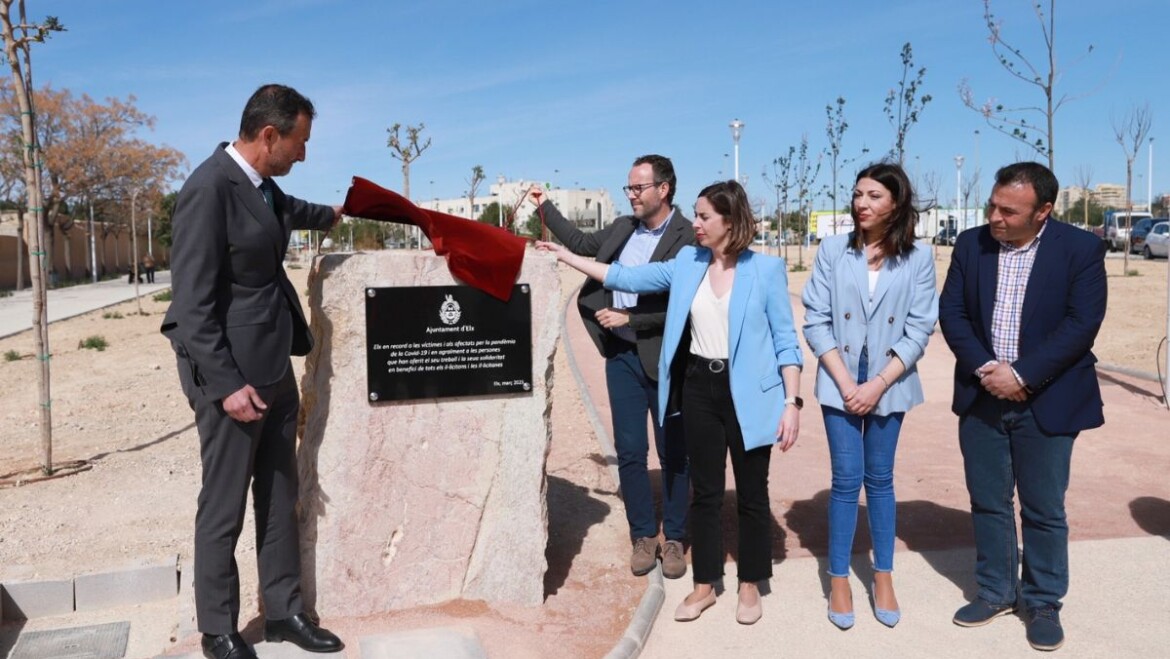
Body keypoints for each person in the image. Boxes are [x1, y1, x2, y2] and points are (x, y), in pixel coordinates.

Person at [537, 180, 803, 625]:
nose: (694, 224)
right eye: (695, 215)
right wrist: (566, 256)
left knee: (753, 495)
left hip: (751, 396)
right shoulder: (687, 262)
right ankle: (704, 587)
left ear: (731, 221)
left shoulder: (767, 271)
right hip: (699, 386)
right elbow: (625, 275)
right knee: (706, 492)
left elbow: (786, 344)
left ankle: (751, 584)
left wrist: (791, 402)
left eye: (704, 217)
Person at [160, 84, 344, 659]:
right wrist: (224, 386)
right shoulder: (208, 188)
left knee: (279, 493)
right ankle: (218, 629)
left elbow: (302, 213)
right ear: (269, 134)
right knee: (224, 505)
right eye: (300, 142)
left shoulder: (264, 190)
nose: (304, 154)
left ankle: (285, 610)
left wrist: (352, 209)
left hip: (272, 369)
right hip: (232, 380)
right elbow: (190, 306)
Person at [939, 161, 1106, 652]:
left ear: (1044, 211)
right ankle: (994, 591)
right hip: (982, 393)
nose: (995, 217)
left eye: (1009, 211)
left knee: (1043, 508)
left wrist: (1023, 375)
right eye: (993, 205)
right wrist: (989, 369)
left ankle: (1043, 600)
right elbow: (952, 313)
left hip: (1048, 399)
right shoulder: (971, 244)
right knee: (988, 501)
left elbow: (1082, 324)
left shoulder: (1080, 249)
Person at [527, 155, 693, 579]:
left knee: (674, 451)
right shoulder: (623, 227)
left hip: (664, 359)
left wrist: (633, 319)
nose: (632, 195)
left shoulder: (687, 237)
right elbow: (585, 247)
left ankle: (673, 537)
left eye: (639, 188)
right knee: (631, 451)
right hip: (621, 356)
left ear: (664, 189)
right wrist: (545, 207)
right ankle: (643, 535)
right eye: (629, 189)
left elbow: (687, 306)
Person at [801, 163, 938, 630]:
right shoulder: (833, 251)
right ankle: (839, 577)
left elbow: (921, 328)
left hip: (891, 379)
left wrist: (878, 383)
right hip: (839, 377)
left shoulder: (918, 258)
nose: (862, 203)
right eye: (858, 194)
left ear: (896, 204)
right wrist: (844, 383)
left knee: (880, 479)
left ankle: (883, 576)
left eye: (874, 195)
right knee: (845, 479)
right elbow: (816, 319)